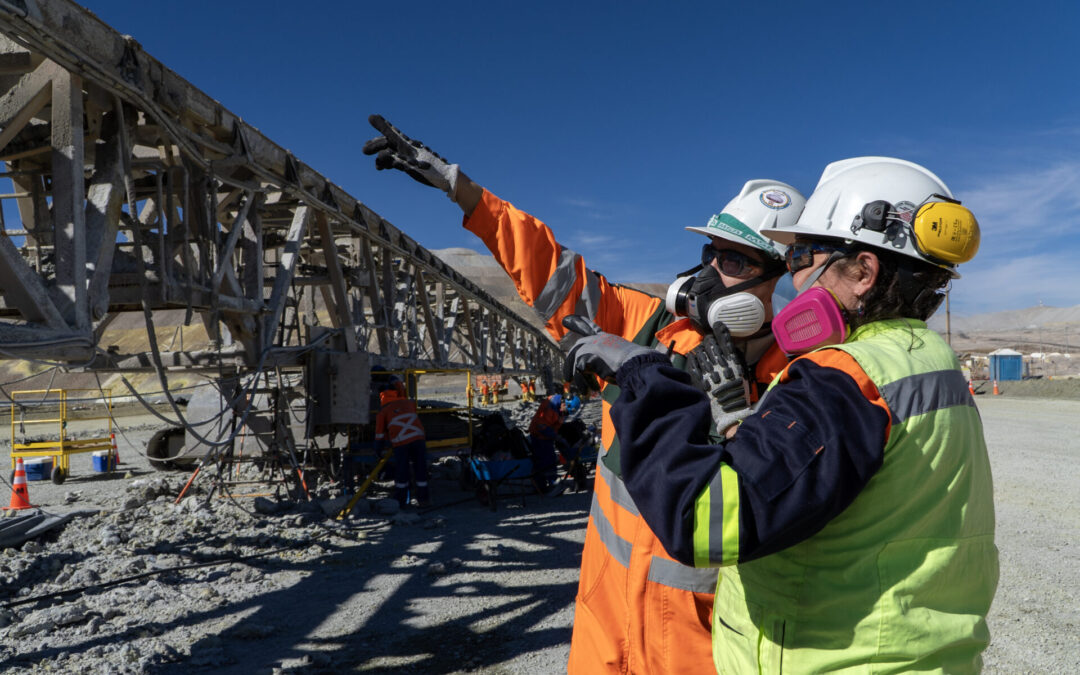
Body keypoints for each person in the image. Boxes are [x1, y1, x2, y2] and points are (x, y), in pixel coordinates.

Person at [362, 114, 805, 673]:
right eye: (712, 252)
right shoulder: (646, 328)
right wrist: (461, 189)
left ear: (782, 278)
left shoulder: (798, 378)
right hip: (607, 620)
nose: (712, 272)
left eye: (736, 260)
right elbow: (547, 267)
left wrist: (739, 420)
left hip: (701, 641)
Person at [567, 157, 998, 673]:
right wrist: (736, 425)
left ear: (864, 271)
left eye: (802, 258)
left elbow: (702, 521)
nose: (794, 282)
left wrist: (645, 376)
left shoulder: (845, 376)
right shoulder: (929, 364)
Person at [374, 380, 430, 508]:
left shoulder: (383, 411)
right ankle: (424, 500)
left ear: (381, 395)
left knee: (402, 471)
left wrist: (378, 450)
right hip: (419, 439)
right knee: (421, 469)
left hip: (401, 442)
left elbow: (379, 435)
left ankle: (401, 501)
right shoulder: (409, 403)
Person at [529, 393, 565, 495]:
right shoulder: (549, 407)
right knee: (546, 461)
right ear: (563, 403)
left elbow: (556, 423)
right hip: (539, 437)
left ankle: (542, 486)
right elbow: (542, 425)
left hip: (546, 437)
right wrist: (555, 435)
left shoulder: (557, 406)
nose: (565, 411)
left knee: (547, 460)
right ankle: (547, 485)